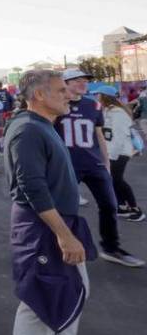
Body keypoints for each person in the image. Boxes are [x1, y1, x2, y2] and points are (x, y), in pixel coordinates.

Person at [3, 69, 117, 335]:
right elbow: (31, 188)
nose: (68, 95)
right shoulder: (27, 130)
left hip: (58, 221)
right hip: (43, 226)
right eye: (60, 90)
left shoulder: (42, 127)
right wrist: (64, 235)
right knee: (40, 297)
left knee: (73, 290)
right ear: (39, 95)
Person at [56, 68, 142, 267]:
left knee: (109, 206)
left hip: (94, 163)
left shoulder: (93, 105)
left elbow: (99, 136)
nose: (83, 83)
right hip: (68, 164)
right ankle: (58, 247)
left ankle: (111, 248)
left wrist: (106, 163)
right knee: (64, 208)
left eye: (85, 80)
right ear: (65, 83)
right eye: (76, 80)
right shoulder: (58, 105)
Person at [97, 93, 143, 222]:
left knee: (117, 180)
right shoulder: (107, 111)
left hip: (120, 152)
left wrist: (111, 155)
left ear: (105, 97)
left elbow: (119, 136)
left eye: (98, 95)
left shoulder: (118, 113)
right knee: (113, 180)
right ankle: (122, 207)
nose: (96, 98)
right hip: (112, 151)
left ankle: (136, 209)